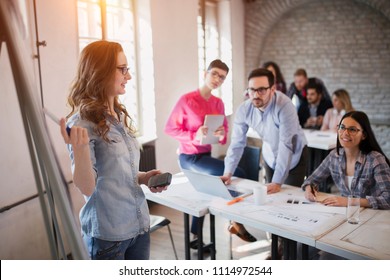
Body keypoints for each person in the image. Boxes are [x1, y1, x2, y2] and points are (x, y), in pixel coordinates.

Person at [60, 40, 168, 260]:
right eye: (122, 69)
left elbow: (117, 173)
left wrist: (144, 177)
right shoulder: (82, 124)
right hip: (109, 235)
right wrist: (79, 150)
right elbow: (87, 187)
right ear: (99, 71)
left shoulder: (118, 116)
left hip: (138, 226)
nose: (128, 76)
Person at [164, 59, 255, 245]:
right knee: (237, 173)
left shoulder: (218, 103)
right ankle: (235, 220)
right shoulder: (187, 100)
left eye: (222, 77)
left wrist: (221, 135)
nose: (217, 79)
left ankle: (196, 236)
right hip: (189, 157)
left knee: (207, 191)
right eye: (214, 73)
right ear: (205, 73)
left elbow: (224, 134)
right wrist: (193, 135)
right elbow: (170, 129)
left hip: (205, 156)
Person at [223, 68, 308, 194]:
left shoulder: (285, 106)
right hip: (270, 156)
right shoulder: (244, 109)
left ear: (272, 89)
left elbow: (286, 144)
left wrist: (277, 182)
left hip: (293, 156)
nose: (256, 95)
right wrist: (228, 172)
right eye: (252, 90)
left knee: (288, 199)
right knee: (270, 199)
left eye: (261, 90)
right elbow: (237, 143)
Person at [303, 111, 390, 209]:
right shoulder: (334, 156)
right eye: (342, 127)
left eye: (352, 129)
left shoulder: (375, 159)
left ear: (364, 135)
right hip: (346, 214)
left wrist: (350, 201)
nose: (345, 133)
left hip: (372, 216)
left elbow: (388, 199)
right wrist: (308, 188)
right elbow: (311, 180)